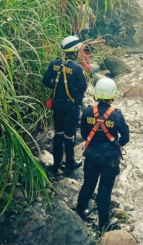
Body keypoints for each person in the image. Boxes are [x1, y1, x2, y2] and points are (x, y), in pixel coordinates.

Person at [76, 77, 129, 232]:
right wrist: (115, 144)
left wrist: (94, 143)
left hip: (92, 156)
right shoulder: (116, 115)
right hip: (110, 160)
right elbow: (125, 137)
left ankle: (80, 213)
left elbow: (85, 134)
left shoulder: (87, 112)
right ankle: (103, 225)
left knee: (88, 185)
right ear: (112, 94)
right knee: (104, 191)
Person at [42, 35, 87, 176]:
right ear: (75, 51)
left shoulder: (54, 63)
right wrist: (73, 94)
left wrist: (56, 86)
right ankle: (69, 164)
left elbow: (45, 81)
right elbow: (83, 87)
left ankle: (56, 164)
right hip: (71, 107)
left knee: (58, 134)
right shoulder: (77, 68)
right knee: (69, 135)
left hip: (57, 105)